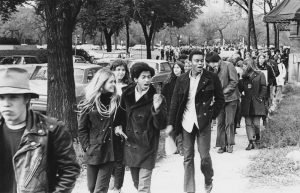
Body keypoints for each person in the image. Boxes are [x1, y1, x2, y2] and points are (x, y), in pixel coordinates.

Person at [0, 67, 80, 193]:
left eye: (13, 97)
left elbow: (70, 169)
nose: (6, 103)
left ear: (27, 99)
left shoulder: (52, 130)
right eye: (1, 97)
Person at [166, 50, 225, 193]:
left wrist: (211, 115)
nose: (200, 63)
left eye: (201, 61)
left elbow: (220, 99)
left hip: (203, 122)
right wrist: (170, 123)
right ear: (190, 62)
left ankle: (208, 178)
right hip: (186, 123)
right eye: (196, 61)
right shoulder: (182, 79)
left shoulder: (211, 78)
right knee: (187, 158)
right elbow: (174, 103)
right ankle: (189, 190)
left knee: (204, 156)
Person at [114, 62, 167, 193]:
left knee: (143, 187)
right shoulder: (126, 94)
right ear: (135, 79)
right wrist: (118, 126)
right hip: (131, 144)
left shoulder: (157, 97)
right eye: (143, 77)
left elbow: (161, 125)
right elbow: (120, 116)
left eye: (149, 77)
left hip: (147, 144)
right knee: (136, 182)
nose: (147, 80)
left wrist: (156, 109)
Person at [78, 68, 120, 193]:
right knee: (91, 188)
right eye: (111, 82)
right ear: (101, 84)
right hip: (93, 151)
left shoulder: (117, 101)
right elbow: (82, 128)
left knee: (100, 189)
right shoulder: (89, 103)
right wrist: (86, 146)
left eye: (114, 81)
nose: (114, 84)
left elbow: (124, 122)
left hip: (110, 151)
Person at [206, 52, 240, 153]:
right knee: (220, 122)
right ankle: (222, 144)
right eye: (209, 64)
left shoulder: (229, 65)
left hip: (231, 98)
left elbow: (234, 81)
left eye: (211, 63)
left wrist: (222, 93)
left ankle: (230, 144)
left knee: (229, 122)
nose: (210, 65)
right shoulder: (211, 70)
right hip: (219, 100)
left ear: (215, 60)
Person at [109, 60, 131, 193]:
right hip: (107, 124)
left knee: (119, 157)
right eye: (118, 69)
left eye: (123, 70)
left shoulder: (128, 87)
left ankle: (118, 186)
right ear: (112, 70)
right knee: (109, 153)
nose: (121, 72)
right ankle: (112, 176)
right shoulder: (107, 86)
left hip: (122, 124)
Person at [238, 59, 267, 150]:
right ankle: (251, 141)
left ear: (249, 65)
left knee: (256, 123)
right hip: (246, 102)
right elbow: (240, 89)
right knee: (248, 123)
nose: (243, 67)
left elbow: (264, 87)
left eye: (244, 65)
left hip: (257, 102)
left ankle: (257, 139)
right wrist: (240, 79)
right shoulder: (244, 77)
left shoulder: (260, 74)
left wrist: (261, 97)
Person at [162, 61, 185, 155]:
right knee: (172, 126)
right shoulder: (168, 81)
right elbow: (163, 95)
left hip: (181, 107)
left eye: (178, 67)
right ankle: (174, 147)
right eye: (174, 67)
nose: (176, 69)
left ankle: (181, 147)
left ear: (181, 69)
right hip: (170, 107)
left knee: (180, 126)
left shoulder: (184, 80)